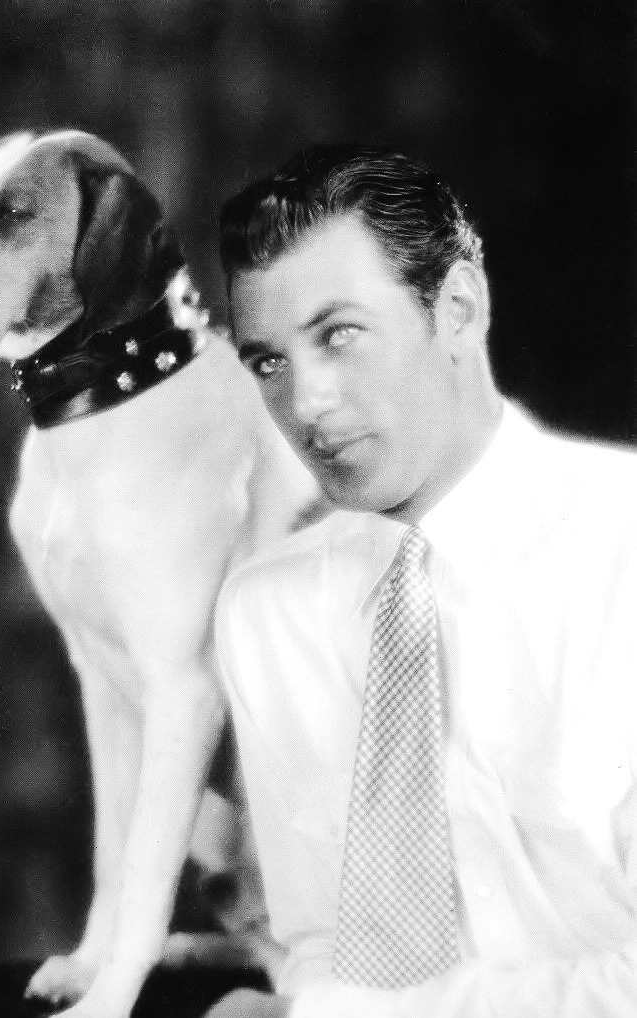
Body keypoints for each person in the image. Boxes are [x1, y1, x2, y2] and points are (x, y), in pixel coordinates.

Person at [205, 145, 637, 1017]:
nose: (305, 404)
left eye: (338, 335)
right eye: (268, 362)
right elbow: (320, 948)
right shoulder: (269, 614)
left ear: (458, 310)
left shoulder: (620, 555)